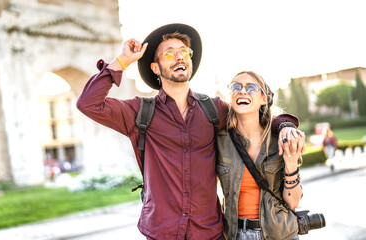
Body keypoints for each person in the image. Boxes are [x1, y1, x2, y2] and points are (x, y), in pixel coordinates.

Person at [77, 23, 305, 240]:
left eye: (184, 52)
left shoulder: (213, 110)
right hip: (161, 232)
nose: (179, 57)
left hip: (209, 232)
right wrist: (123, 61)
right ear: (155, 68)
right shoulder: (139, 112)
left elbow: (252, 113)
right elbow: (88, 103)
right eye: (169, 54)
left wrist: (285, 126)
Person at [216, 71, 303, 240]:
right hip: (236, 234)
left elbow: (293, 202)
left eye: (251, 87)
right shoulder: (220, 141)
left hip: (280, 234)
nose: (242, 91)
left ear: (264, 99)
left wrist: (291, 163)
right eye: (236, 87)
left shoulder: (281, 138)